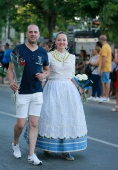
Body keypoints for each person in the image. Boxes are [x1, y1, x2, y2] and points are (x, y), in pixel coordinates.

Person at [26, 31, 87, 161]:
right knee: (51, 116)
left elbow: (72, 76)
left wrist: (79, 88)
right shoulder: (48, 56)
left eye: (64, 40)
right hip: (52, 88)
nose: (62, 42)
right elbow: (45, 74)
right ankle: (47, 145)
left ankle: (66, 150)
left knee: (67, 118)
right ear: (55, 42)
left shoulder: (71, 57)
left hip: (69, 91)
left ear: (67, 42)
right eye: (59, 40)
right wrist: (37, 90)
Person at [7, 24, 50, 165]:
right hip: (22, 92)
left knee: (33, 123)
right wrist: (11, 81)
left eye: (35, 32)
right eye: (30, 32)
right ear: (27, 34)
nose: (33, 34)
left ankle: (32, 154)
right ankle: (15, 143)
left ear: (38, 34)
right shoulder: (18, 50)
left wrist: (43, 76)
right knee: (20, 124)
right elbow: (10, 69)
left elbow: (47, 70)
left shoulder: (43, 52)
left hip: (37, 92)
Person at [98, 35, 112, 102]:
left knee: (105, 82)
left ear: (101, 40)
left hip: (105, 67)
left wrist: (101, 69)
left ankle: (106, 96)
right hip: (107, 66)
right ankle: (105, 96)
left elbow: (104, 58)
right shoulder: (108, 46)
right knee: (105, 81)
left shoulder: (104, 47)